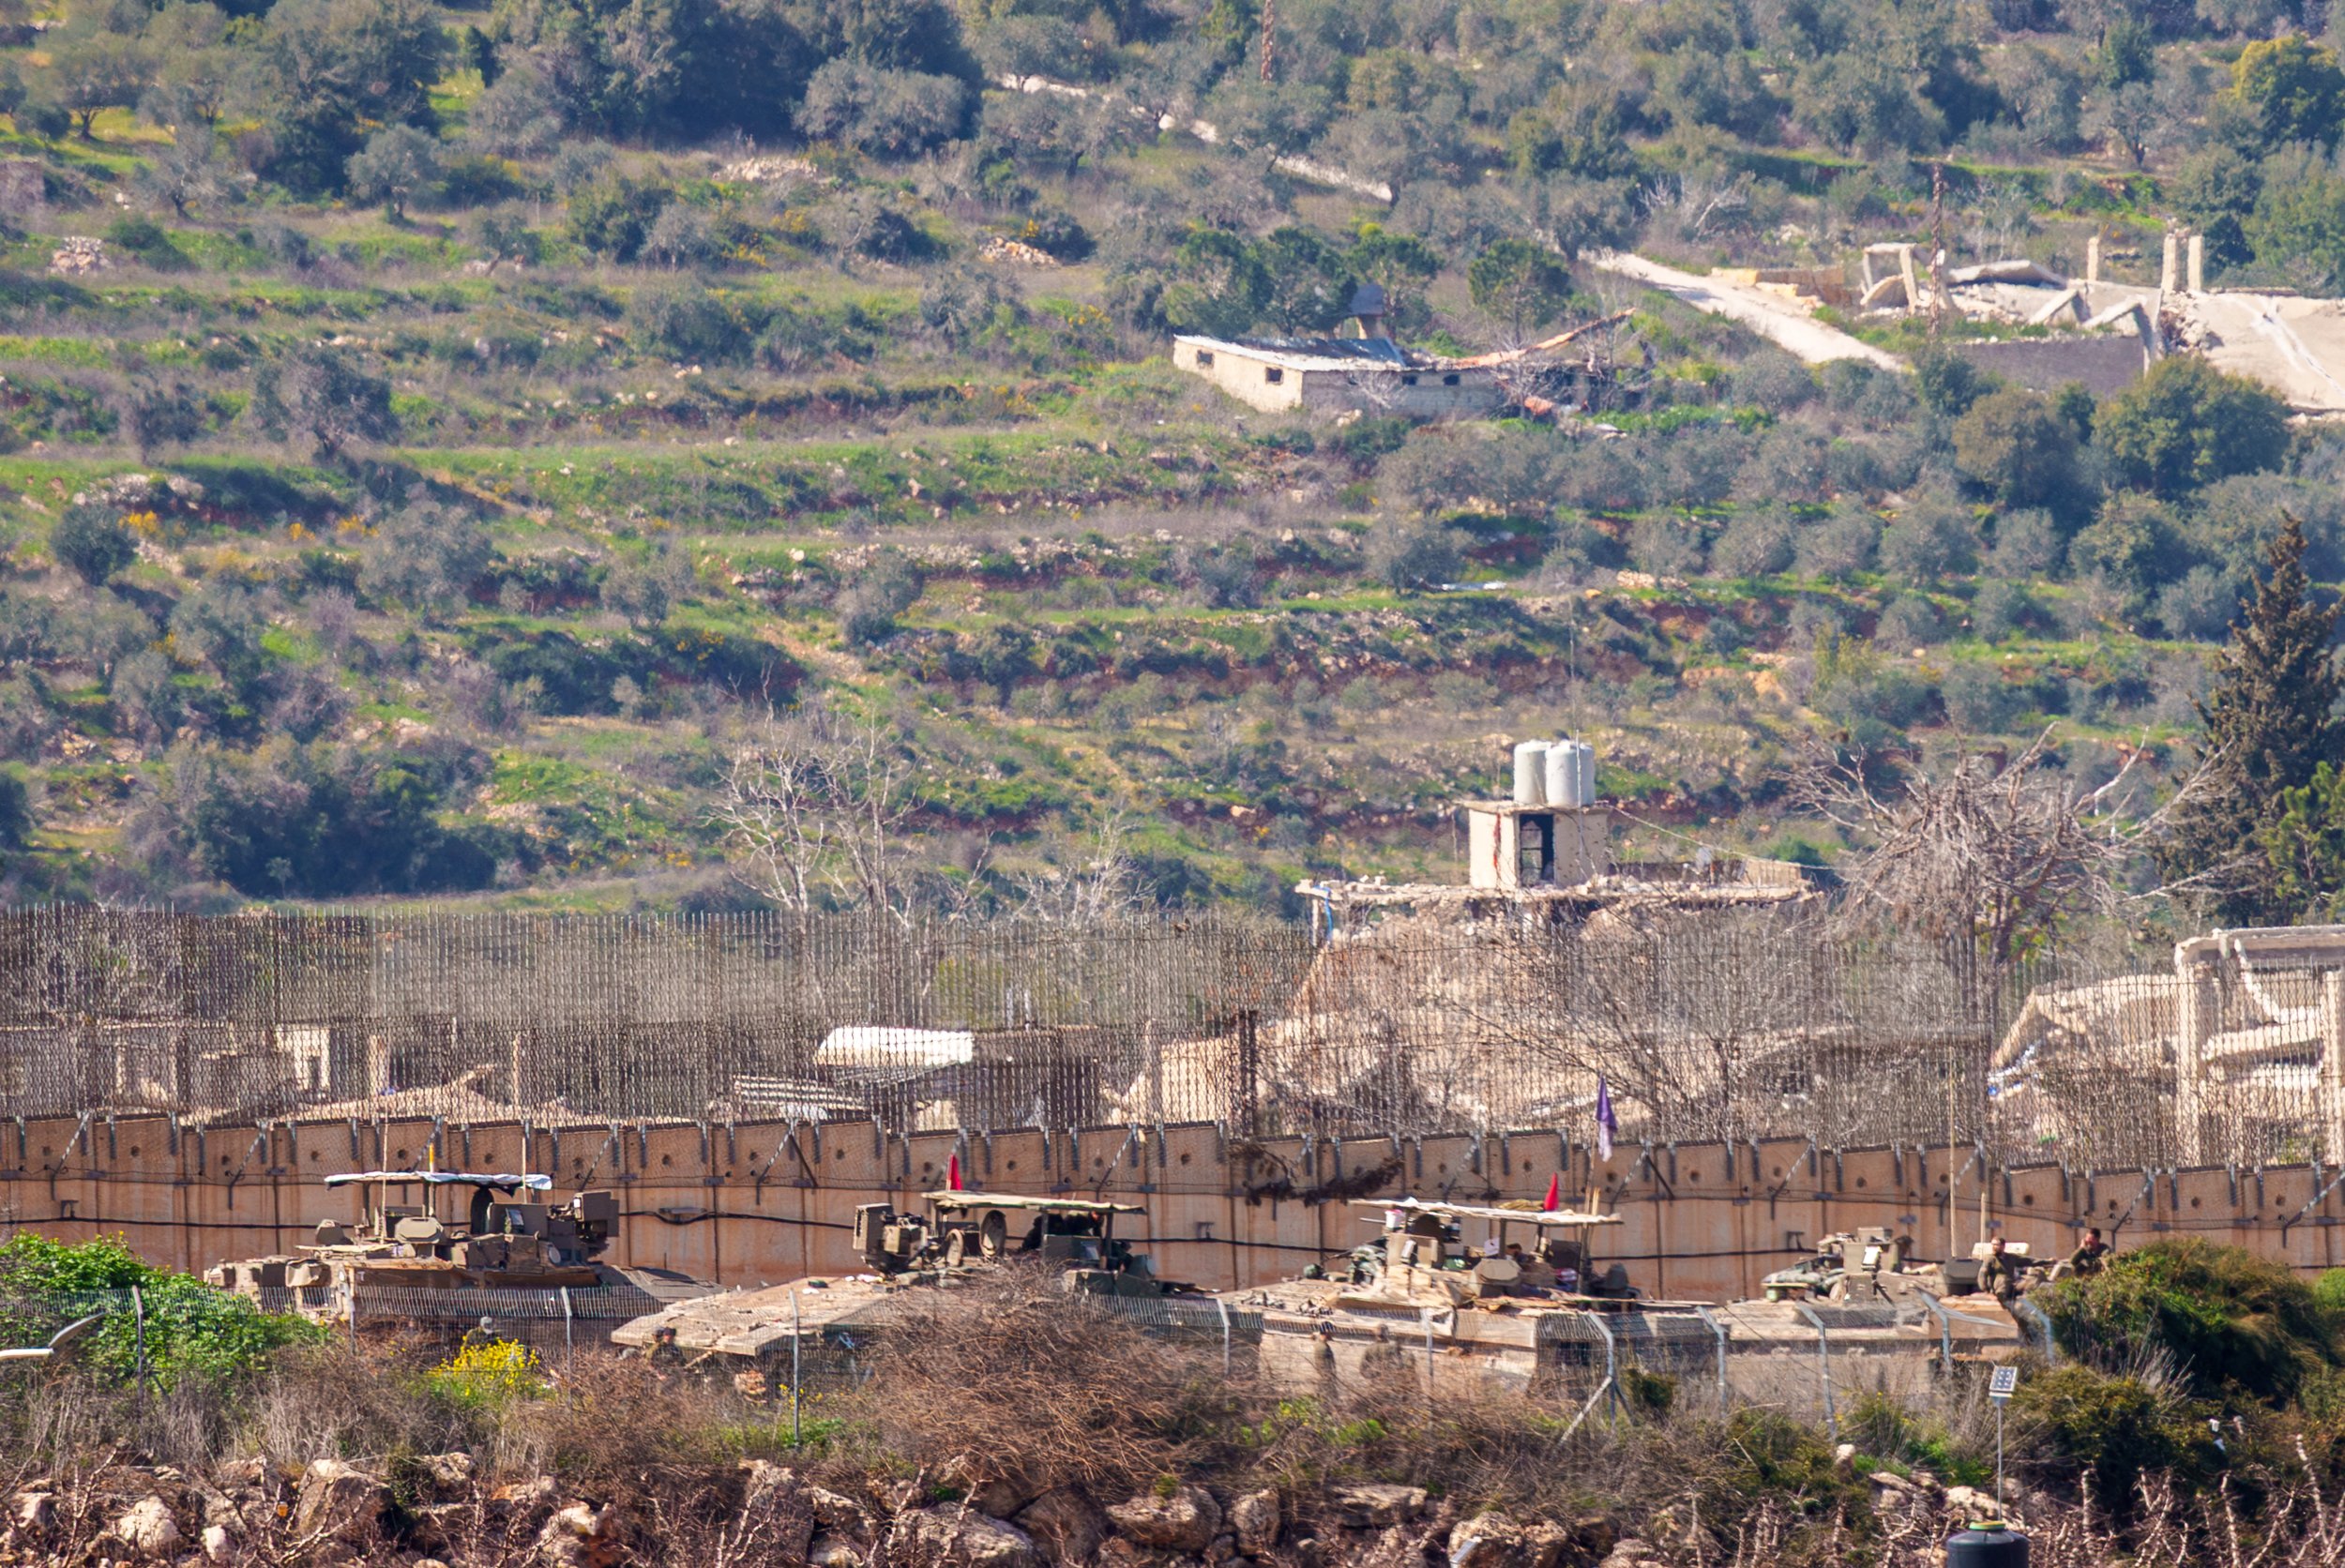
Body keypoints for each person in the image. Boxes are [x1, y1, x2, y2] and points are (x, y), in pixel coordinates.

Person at [1978, 1237, 2020, 1301]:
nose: (1993, 1247)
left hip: (2010, 1287)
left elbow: (2028, 1260)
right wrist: (1986, 1291)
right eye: (1992, 1245)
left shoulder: (2010, 1258)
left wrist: (2040, 1262)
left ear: (2003, 1246)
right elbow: (1982, 1275)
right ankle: (2000, 1296)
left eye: (1996, 1245)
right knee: (2003, 1278)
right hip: (1996, 1288)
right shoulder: (1990, 1259)